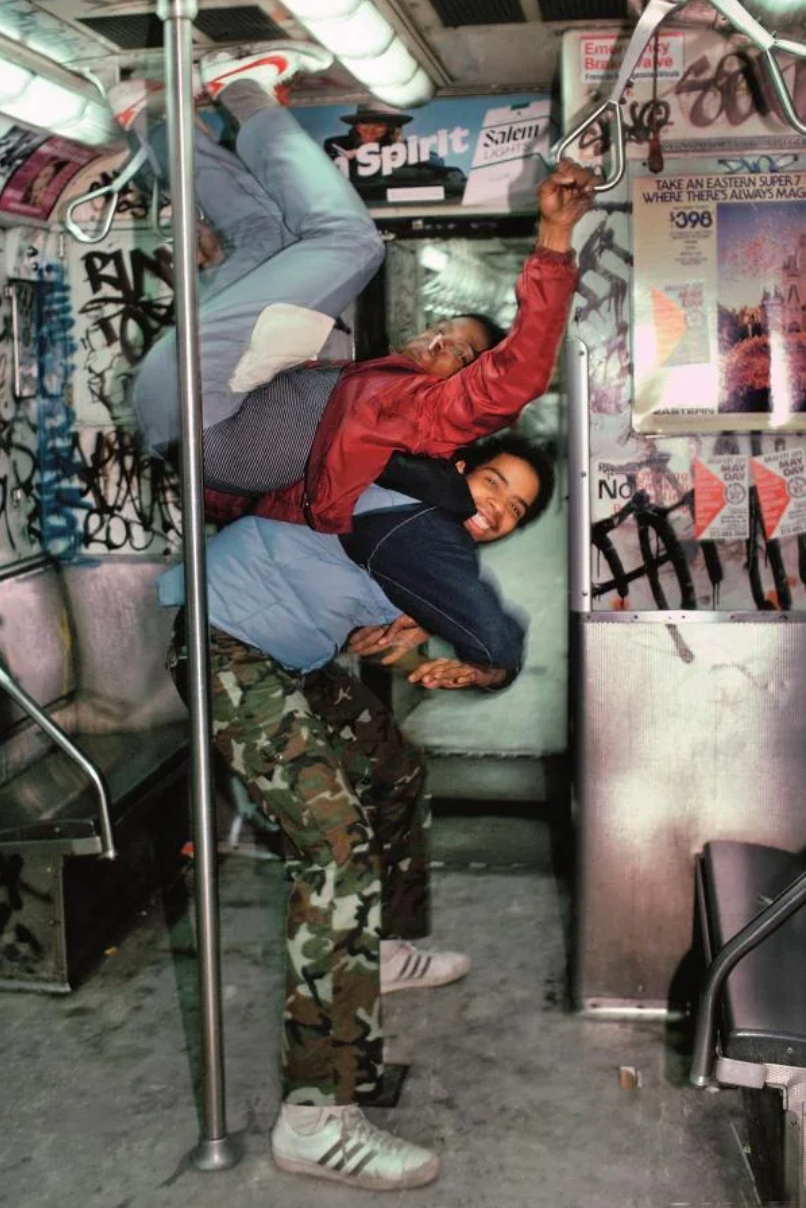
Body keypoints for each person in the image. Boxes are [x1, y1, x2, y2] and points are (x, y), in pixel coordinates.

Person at [160, 431, 553, 1189]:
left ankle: (381, 951)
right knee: (335, 848)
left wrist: (400, 634)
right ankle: (316, 1118)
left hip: (286, 655)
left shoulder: (415, 523)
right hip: (227, 644)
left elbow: (361, 605)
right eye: (496, 483)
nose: (500, 509)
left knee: (394, 769)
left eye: (518, 507)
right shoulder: (412, 511)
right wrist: (476, 661)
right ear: (462, 470)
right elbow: (498, 638)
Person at [122, 42, 596, 526]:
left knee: (356, 243)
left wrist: (556, 236)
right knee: (268, 236)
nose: (441, 341)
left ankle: (241, 88)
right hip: (188, 413)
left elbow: (519, 375)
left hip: (200, 411)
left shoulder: (426, 417)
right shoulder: (375, 384)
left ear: (465, 388)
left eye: (461, 352)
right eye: (443, 329)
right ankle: (147, 123)